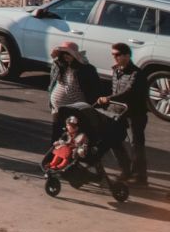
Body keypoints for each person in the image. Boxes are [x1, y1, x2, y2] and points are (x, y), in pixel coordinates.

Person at [100, 42, 150, 188]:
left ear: (127, 56)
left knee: (136, 144)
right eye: (113, 55)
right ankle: (125, 170)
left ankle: (140, 177)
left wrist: (108, 98)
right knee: (114, 140)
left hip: (136, 114)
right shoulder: (116, 70)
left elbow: (129, 92)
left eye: (117, 55)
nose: (114, 58)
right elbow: (115, 90)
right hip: (119, 112)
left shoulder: (137, 73)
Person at [46, 41, 103, 146]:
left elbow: (94, 89)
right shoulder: (60, 66)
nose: (65, 57)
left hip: (74, 108)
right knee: (56, 134)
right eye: (63, 54)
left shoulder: (86, 69)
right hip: (58, 108)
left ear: (75, 55)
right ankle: (53, 157)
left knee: (71, 135)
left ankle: (68, 158)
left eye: (68, 54)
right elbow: (52, 81)